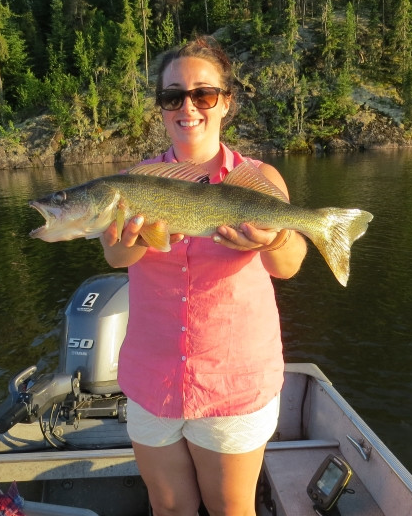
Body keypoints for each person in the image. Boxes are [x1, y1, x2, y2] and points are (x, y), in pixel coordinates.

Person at [100, 36, 307, 516]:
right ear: (161, 107)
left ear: (225, 102)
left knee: (231, 509)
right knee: (169, 507)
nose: (187, 107)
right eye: (173, 96)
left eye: (203, 94)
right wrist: (127, 239)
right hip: (153, 378)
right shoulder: (135, 181)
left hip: (232, 378)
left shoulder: (259, 177)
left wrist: (272, 240)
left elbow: (289, 265)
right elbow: (116, 259)